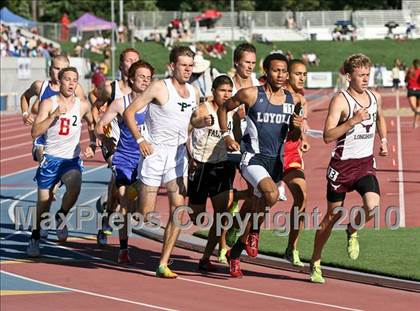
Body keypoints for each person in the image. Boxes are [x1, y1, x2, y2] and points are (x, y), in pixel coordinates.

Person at [218, 53, 304, 277]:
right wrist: (227, 135)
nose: (281, 75)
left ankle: (234, 254)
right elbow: (223, 108)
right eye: (276, 70)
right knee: (272, 195)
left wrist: (296, 127)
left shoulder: (292, 100)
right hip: (252, 158)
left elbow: (293, 135)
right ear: (266, 71)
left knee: (259, 205)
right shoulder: (251, 94)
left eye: (284, 71)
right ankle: (255, 231)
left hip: (275, 162)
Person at [124, 46, 205, 278]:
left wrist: (195, 137)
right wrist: (140, 139)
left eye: (191, 66)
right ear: (172, 66)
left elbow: (190, 123)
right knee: (145, 216)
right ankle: (132, 192)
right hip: (154, 152)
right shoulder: (159, 87)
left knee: (178, 209)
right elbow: (130, 112)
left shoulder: (194, 92)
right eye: (183, 65)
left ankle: (163, 263)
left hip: (177, 156)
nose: (188, 70)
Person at [309, 54, 388, 284]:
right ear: (349, 76)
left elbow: (380, 118)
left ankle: (353, 229)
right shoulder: (340, 101)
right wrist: (351, 122)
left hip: (364, 164)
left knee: (372, 206)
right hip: (342, 167)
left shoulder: (375, 97)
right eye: (361, 75)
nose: (365, 79)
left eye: (367, 74)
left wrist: (383, 140)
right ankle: (315, 261)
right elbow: (327, 136)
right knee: (331, 217)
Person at [26, 67, 96, 257]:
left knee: (75, 186)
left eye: (75, 80)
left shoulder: (82, 105)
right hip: (50, 158)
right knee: (44, 202)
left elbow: (92, 123)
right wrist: (54, 115)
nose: (71, 83)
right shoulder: (49, 103)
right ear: (60, 81)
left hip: (70, 159)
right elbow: (35, 132)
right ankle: (35, 235)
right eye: (67, 79)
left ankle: (61, 215)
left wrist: (92, 143)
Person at [95, 60, 153, 262]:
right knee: (125, 201)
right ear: (131, 78)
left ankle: (107, 207)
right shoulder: (121, 103)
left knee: (140, 209)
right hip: (125, 158)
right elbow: (100, 125)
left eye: (148, 77)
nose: (145, 81)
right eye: (141, 77)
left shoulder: (154, 103)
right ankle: (123, 249)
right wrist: (104, 140)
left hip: (146, 161)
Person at [90, 48, 140, 246]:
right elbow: (95, 108)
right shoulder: (111, 89)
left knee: (128, 197)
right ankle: (113, 222)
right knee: (119, 183)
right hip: (113, 143)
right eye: (129, 61)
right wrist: (100, 132)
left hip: (134, 145)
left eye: (136, 60)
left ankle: (108, 213)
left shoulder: (145, 90)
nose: (132, 63)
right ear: (121, 65)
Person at [189, 75, 237, 271]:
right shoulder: (204, 109)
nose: (226, 95)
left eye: (229, 91)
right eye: (222, 91)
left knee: (221, 215)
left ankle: (207, 256)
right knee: (197, 217)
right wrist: (201, 122)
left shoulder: (233, 112)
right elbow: (189, 126)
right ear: (214, 92)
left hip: (222, 165)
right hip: (200, 166)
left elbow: (238, 134)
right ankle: (237, 197)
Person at [20, 55, 86, 162]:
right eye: (56, 68)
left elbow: (84, 109)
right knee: (44, 158)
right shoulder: (40, 86)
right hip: (44, 137)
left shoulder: (76, 89)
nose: (59, 72)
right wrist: (25, 114)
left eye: (63, 69)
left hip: (65, 138)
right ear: (50, 69)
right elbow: (25, 96)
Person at [282, 59, 310, 267]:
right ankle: (242, 235)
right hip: (271, 155)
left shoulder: (302, 100)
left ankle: (292, 248)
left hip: (291, 156)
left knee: (302, 196)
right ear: (288, 76)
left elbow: (299, 127)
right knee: (261, 203)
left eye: (304, 74)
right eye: (298, 74)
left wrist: (304, 139)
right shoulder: (277, 96)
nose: (302, 78)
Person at [405, 59, 420, 128]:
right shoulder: (410, 70)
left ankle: (415, 122)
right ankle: (416, 121)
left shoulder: (415, 70)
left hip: (416, 90)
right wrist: (408, 75)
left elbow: (405, 80)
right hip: (414, 90)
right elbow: (405, 80)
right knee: (416, 108)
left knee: (417, 108)